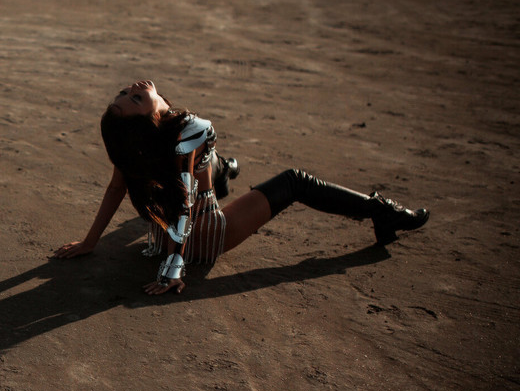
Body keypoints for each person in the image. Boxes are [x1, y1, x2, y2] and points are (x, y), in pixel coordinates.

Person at [54, 80, 429, 295]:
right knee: (294, 181)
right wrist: (173, 270)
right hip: (204, 233)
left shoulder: (133, 148)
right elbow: (183, 205)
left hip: (170, 228)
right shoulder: (185, 134)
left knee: (209, 160)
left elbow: (116, 190)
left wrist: (90, 242)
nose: (133, 87)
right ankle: (383, 212)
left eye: (126, 91)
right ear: (151, 119)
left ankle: (225, 170)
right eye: (134, 98)